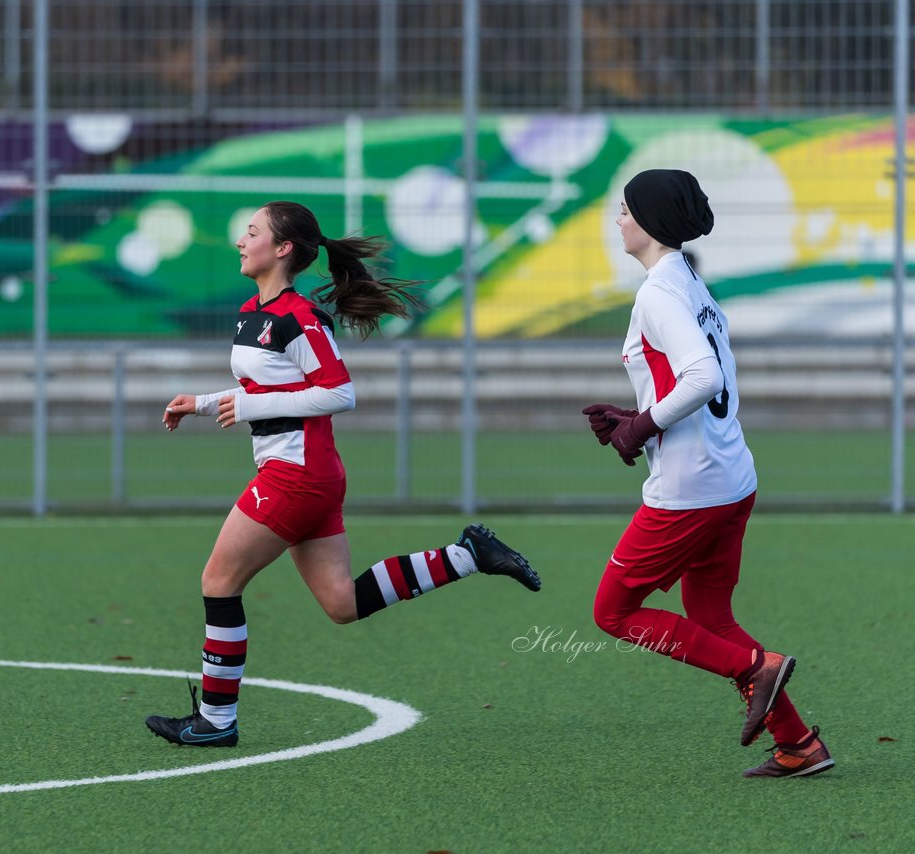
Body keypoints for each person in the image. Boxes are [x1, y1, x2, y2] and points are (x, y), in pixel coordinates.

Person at [145, 200, 541, 747]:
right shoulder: (250, 312)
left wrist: (251, 410)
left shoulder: (301, 318)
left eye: (253, 232)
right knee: (342, 604)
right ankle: (467, 554)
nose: (241, 240)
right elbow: (266, 391)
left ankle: (215, 721)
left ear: (282, 249)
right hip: (309, 475)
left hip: (296, 477)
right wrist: (204, 403)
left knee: (218, 581)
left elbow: (339, 392)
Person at [582, 169, 833, 778]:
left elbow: (703, 378)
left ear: (649, 221)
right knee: (712, 618)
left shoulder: (658, 292)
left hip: (690, 489)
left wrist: (641, 428)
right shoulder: (688, 279)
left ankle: (756, 669)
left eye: (624, 209)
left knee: (613, 613)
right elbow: (694, 378)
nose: (618, 219)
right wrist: (640, 415)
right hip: (731, 477)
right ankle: (799, 745)